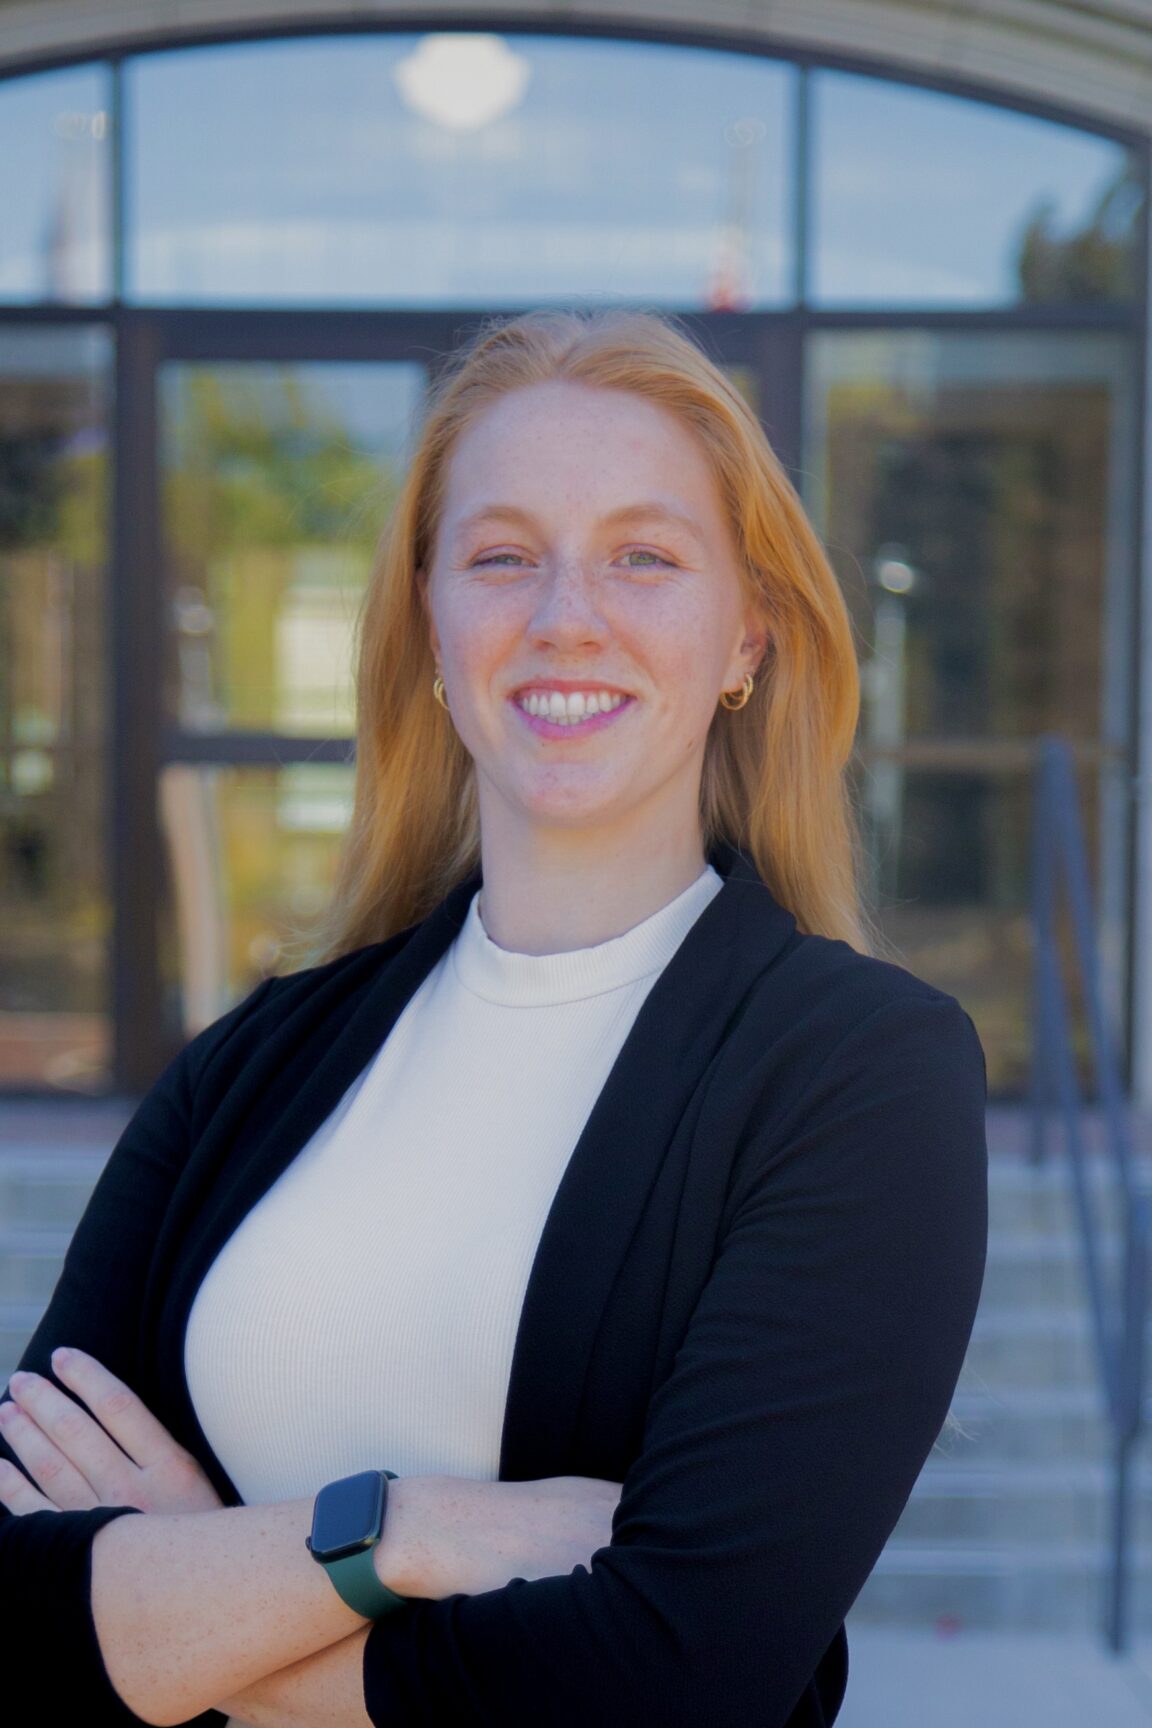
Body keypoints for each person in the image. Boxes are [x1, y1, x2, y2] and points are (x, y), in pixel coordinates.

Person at [0, 307, 988, 1728]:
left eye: (645, 557)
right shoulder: (254, 1067)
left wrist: (190, 1607)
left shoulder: (858, 1076)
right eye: (502, 556)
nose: (564, 615)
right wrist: (406, 1530)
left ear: (747, 635)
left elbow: (676, 1676)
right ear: (431, 622)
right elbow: (22, 1603)